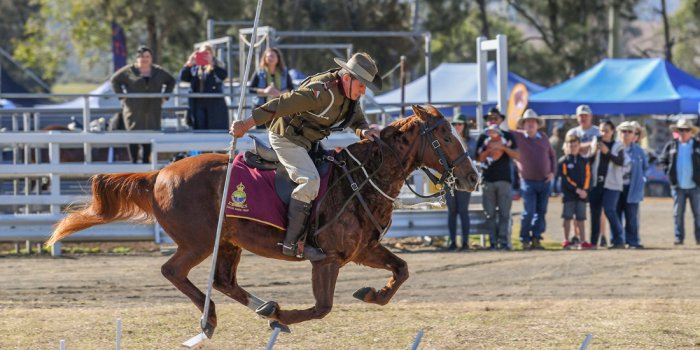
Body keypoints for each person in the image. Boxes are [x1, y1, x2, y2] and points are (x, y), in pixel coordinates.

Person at [230, 52, 382, 261]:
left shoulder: (349, 95)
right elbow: (281, 104)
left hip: (309, 141)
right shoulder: (321, 91)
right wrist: (246, 124)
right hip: (286, 138)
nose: (363, 91)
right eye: (361, 85)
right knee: (310, 180)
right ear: (347, 78)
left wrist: (364, 131)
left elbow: (356, 118)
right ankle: (292, 243)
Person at [111, 45, 176, 163]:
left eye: (147, 56)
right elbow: (114, 80)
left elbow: (171, 80)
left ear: (151, 58)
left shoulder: (158, 71)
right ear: (137, 58)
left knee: (149, 140)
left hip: (153, 111)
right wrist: (122, 96)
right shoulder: (129, 71)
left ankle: (146, 168)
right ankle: (133, 165)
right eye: (141, 56)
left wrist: (164, 96)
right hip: (134, 111)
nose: (144, 59)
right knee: (133, 138)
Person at [511, 109, 556, 250]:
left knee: (541, 212)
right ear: (523, 124)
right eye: (527, 122)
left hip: (545, 181)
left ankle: (536, 238)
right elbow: (504, 127)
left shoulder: (543, 137)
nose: (530, 124)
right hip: (528, 181)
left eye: (533, 121)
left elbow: (552, 156)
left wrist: (553, 172)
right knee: (528, 212)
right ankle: (524, 239)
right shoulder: (518, 137)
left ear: (537, 124)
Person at [476, 107, 519, 250]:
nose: (493, 120)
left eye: (495, 118)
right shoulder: (483, 137)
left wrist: (503, 147)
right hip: (487, 180)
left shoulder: (508, 136)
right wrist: (489, 149)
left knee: (504, 214)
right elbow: (477, 158)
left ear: (500, 120)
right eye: (490, 118)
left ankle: (504, 242)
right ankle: (493, 242)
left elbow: (517, 156)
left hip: (504, 180)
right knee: (490, 214)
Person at [659, 119, 700, 246]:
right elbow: (662, 160)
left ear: (691, 132)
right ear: (677, 131)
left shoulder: (698, 145)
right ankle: (679, 237)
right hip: (678, 186)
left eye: (686, 130)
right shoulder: (671, 145)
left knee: (698, 214)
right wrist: (668, 173)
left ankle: (699, 238)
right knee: (677, 214)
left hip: (696, 186)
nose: (684, 132)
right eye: (681, 130)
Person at [588, 120, 625, 248]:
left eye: (606, 131)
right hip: (595, 184)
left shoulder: (618, 145)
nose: (603, 133)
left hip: (612, 184)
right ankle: (593, 242)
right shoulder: (595, 143)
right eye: (601, 130)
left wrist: (607, 153)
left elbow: (621, 162)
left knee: (610, 210)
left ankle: (619, 240)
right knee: (594, 213)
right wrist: (593, 152)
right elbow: (589, 162)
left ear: (613, 131)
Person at [180, 43, 229, 130]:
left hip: (214, 103)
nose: (205, 56)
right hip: (198, 102)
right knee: (199, 128)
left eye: (208, 53)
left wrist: (212, 64)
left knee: (214, 128)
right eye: (203, 53)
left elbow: (223, 76)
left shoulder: (217, 65)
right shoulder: (194, 67)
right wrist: (188, 64)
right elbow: (183, 78)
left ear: (212, 54)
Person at [615, 121, 649, 249]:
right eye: (624, 131)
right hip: (615, 186)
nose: (626, 134)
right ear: (619, 133)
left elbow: (645, 166)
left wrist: (641, 180)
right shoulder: (614, 148)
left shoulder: (638, 150)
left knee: (631, 216)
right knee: (616, 214)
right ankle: (617, 240)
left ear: (634, 134)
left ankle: (633, 240)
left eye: (630, 132)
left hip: (632, 187)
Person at [558, 134, 592, 249]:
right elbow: (564, 178)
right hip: (569, 195)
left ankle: (582, 241)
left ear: (579, 146)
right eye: (570, 146)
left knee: (581, 218)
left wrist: (585, 190)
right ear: (566, 146)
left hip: (582, 195)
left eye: (575, 145)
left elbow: (588, 176)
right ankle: (566, 240)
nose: (573, 148)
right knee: (567, 217)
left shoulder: (584, 161)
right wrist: (576, 189)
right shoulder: (563, 161)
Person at [248, 47, 294, 129]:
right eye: (268, 56)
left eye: (273, 56)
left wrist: (279, 93)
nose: (270, 58)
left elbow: (291, 88)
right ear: (264, 58)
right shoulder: (259, 72)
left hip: (280, 108)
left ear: (278, 58)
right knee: (261, 132)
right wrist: (265, 91)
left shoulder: (284, 72)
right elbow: (251, 89)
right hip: (261, 108)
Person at [446, 113, 472, 251]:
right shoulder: (447, 140)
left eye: (460, 124)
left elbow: (472, 158)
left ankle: (466, 242)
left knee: (463, 211)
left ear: (464, 126)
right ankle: (452, 242)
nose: (457, 126)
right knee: (452, 211)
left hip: (464, 180)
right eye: (455, 124)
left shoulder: (470, 141)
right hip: (450, 180)